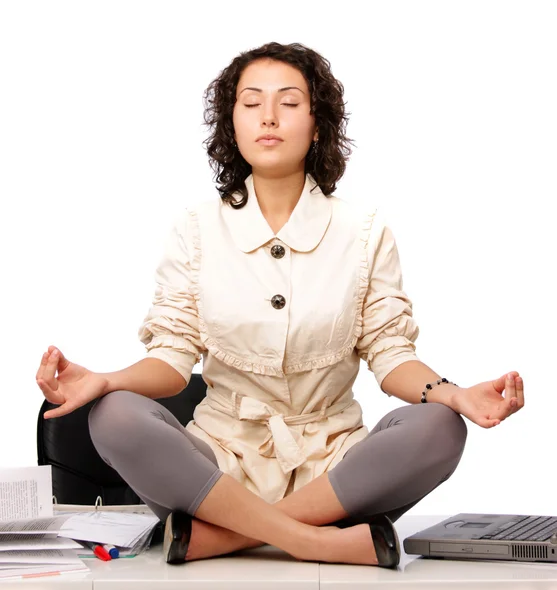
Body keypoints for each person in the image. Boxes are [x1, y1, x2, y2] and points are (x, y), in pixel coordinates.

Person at [36, 41, 525, 568]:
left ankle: (224, 537)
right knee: (113, 416)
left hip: (335, 465)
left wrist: (453, 394)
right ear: (233, 125)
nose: (269, 117)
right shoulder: (196, 229)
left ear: (318, 125)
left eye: (289, 103)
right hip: (217, 466)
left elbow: (391, 353)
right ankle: (317, 541)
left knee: (441, 427)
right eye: (251, 103)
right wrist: (107, 381)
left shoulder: (363, 231)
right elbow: (172, 359)